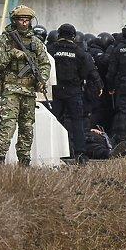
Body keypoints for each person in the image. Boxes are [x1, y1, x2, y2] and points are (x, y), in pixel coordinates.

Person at [0, 5, 51, 165]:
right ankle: (0, 159)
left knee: (27, 127)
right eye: (21, 20)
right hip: (10, 90)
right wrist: (11, 54)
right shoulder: (4, 40)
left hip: (29, 90)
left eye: (27, 20)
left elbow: (45, 63)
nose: (24, 23)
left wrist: (42, 79)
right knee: (8, 125)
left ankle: (24, 160)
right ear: (15, 21)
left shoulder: (35, 43)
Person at [47, 23, 103, 160]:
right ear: (73, 36)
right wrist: (99, 86)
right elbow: (91, 71)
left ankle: (54, 152)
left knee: (54, 122)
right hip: (74, 92)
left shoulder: (50, 50)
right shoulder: (79, 52)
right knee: (77, 123)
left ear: (59, 35)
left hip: (56, 91)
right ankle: (80, 154)